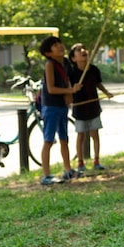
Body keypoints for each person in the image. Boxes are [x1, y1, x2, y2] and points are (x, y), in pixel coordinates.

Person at [38, 36, 81, 185]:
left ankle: (68, 170)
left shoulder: (66, 63)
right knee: (48, 140)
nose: (60, 47)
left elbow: (68, 80)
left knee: (64, 139)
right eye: (55, 46)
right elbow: (51, 88)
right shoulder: (50, 64)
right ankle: (46, 175)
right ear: (48, 53)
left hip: (62, 105)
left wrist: (69, 94)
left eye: (59, 44)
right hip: (51, 106)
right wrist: (70, 90)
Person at [69, 43, 113, 177]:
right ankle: (80, 163)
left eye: (83, 49)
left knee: (95, 134)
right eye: (78, 50)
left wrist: (106, 93)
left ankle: (96, 160)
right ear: (73, 58)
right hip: (79, 107)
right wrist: (71, 98)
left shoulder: (93, 70)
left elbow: (98, 84)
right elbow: (69, 88)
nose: (83, 51)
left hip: (93, 106)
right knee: (81, 135)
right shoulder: (72, 72)